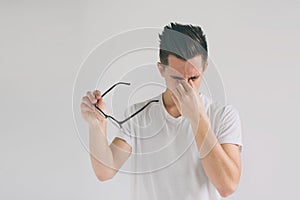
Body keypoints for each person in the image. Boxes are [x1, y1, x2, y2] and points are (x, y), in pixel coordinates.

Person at [80, 22, 243, 200]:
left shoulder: (223, 116)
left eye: (194, 78)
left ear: (204, 68)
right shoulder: (139, 115)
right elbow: (105, 171)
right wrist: (97, 125)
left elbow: (227, 186)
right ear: (161, 70)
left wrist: (197, 118)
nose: (186, 87)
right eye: (177, 78)